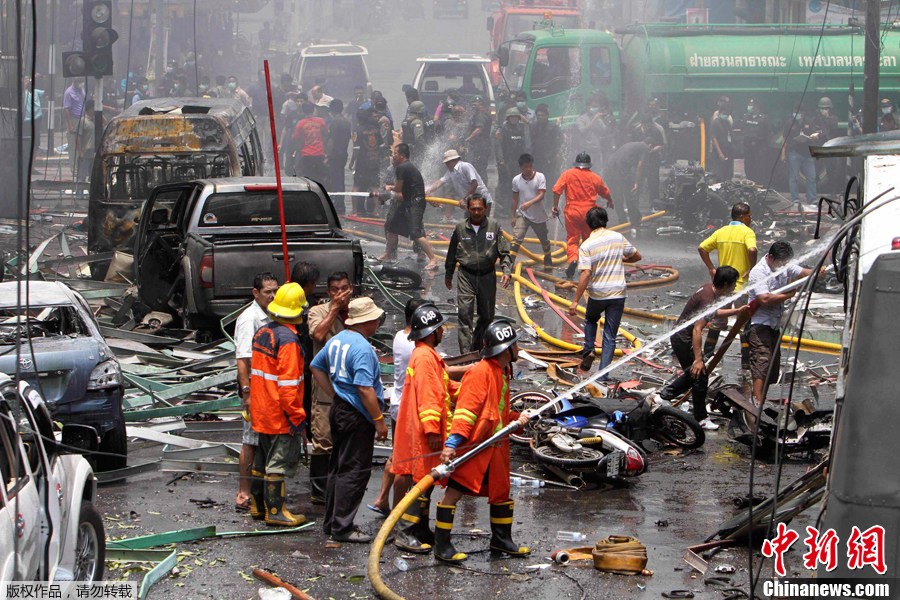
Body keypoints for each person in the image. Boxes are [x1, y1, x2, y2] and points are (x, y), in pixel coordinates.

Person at [436, 320, 531, 564]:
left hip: (495, 447)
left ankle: (501, 540)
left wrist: (517, 419)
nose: (518, 348)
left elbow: (498, 411)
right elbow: (466, 412)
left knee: (501, 493)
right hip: (476, 447)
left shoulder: (501, 371)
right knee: (455, 492)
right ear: (506, 349)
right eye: (515, 344)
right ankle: (442, 545)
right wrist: (452, 444)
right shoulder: (480, 372)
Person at [310, 297, 389, 543]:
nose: (377, 323)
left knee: (338, 466)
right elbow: (364, 388)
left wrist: (335, 394)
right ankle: (343, 527)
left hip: (339, 410)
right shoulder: (362, 348)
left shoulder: (336, 340)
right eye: (375, 319)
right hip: (357, 414)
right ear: (366, 321)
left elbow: (315, 366)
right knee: (354, 471)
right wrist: (379, 420)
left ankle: (332, 522)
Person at [391, 303, 461, 553]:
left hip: (423, 430)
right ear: (432, 333)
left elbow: (444, 387)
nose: (443, 332)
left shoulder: (427, 355)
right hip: (424, 433)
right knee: (421, 482)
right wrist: (432, 431)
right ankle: (405, 532)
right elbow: (429, 397)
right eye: (440, 329)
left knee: (427, 481)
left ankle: (419, 528)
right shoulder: (424, 358)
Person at [655, 267, 747, 430]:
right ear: (726, 283)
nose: (734, 287)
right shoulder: (707, 299)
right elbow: (697, 329)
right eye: (733, 284)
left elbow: (713, 313)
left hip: (681, 337)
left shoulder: (709, 290)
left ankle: (664, 396)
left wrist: (736, 311)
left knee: (694, 375)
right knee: (699, 377)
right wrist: (698, 359)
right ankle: (700, 418)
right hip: (684, 339)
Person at [248, 282, 308, 527]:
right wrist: (297, 416)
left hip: (262, 410)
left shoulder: (263, 332)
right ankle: (275, 512)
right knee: (277, 463)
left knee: (261, 459)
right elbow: (288, 384)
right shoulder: (288, 341)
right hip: (280, 413)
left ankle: (257, 506)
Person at [368, 297, 430, 517]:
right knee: (405, 462)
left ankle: (382, 499)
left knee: (397, 455)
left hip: (398, 401)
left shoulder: (399, 336)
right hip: (408, 407)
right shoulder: (413, 344)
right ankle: (397, 510)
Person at [568, 207, 641, 377]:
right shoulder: (618, 237)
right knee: (610, 336)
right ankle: (603, 376)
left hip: (598, 293)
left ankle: (589, 350)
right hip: (618, 293)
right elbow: (637, 256)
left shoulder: (586, 245)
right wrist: (623, 258)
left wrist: (575, 301)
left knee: (591, 319)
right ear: (606, 220)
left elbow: (586, 273)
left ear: (588, 224)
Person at [746, 242, 821, 405]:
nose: (784, 265)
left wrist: (818, 271)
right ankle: (756, 404)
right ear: (771, 258)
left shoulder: (783, 265)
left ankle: (761, 399)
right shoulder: (759, 272)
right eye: (781, 262)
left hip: (774, 324)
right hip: (760, 324)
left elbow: (802, 272)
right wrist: (789, 295)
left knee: (771, 368)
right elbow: (765, 299)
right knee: (762, 362)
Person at [233, 272, 279, 512]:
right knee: (250, 440)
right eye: (267, 292)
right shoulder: (248, 319)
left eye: (275, 291)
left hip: (268, 388)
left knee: (265, 439)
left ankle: (261, 491)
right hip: (254, 388)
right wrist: (247, 393)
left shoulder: (272, 314)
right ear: (255, 293)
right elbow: (242, 360)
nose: (272, 296)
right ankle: (244, 493)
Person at [444, 194, 513, 354]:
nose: (476, 212)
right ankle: (466, 355)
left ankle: (477, 347)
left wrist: (507, 271)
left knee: (487, 316)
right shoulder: (460, 228)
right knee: (464, 315)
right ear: (468, 209)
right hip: (466, 276)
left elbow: (504, 252)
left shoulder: (494, 227)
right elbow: (452, 252)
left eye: (479, 209)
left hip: (487, 276)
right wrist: (449, 273)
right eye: (473, 209)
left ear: (485, 209)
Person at [306, 271, 352, 505]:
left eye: (344, 288)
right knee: (323, 438)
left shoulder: (358, 311)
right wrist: (334, 309)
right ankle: (319, 490)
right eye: (335, 289)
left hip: (351, 386)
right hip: (326, 385)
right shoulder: (318, 312)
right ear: (328, 292)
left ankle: (340, 486)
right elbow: (318, 334)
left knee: (347, 438)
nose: (340, 293)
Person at [698, 201, 758, 363]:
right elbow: (752, 249)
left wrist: (711, 268)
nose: (750, 219)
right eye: (749, 216)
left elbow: (702, 248)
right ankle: (746, 361)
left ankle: (707, 355)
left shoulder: (721, 231)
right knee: (743, 323)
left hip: (722, 286)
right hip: (741, 286)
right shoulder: (747, 232)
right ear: (742, 216)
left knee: (717, 322)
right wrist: (752, 268)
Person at [551, 152, 614, 279]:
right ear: (589, 165)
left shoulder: (567, 174)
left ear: (576, 163)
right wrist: (610, 201)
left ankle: (573, 260)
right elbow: (605, 191)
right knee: (588, 240)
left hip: (572, 211)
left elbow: (557, 190)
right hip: (590, 213)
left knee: (572, 239)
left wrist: (555, 206)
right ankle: (586, 266)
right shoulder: (595, 177)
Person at [381, 143, 441, 270]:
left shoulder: (402, 167)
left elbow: (398, 189)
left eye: (395, 153)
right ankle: (388, 254)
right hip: (407, 201)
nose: (393, 156)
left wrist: (388, 188)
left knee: (415, 232)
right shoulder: (404, 167)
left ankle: (433, 259)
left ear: (402, 155)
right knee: (392, 227)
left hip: (415, 203)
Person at [509, 153, 552, 268]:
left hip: (538, 215)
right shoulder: (516, 180)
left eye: (530, 166)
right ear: (520, 167)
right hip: (523, 215)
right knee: (516, 238)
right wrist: (512, 216)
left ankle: (548, 259)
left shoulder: (540, 177)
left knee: (544, 239)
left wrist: (529, 203)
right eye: (525, 167)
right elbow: (514, 198)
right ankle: (509, 264)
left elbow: (541, 195)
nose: (528, 169)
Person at [781, 105, 825, 208]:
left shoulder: (809, 122)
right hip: (794, 153)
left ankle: (812, 199)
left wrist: (816, 136)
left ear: (803, 113)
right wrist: (783, 154)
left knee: (811, 177)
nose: (797, 114)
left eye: (799, 112)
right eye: (795, 111)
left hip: (807, 154)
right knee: (794, 178)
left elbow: (819, 132)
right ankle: (795, 199)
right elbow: (784, 138)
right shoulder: (789, 123)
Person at [425, 149, 494, 216]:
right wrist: (428, 190)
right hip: (470, 202)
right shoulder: (451, 172)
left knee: (480, 222)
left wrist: (465, 199)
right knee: (472, 222)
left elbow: (474, 184)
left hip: (481, 200)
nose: (446, 164)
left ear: (454, 160)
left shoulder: (465, 166)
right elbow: (439, 182)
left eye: (447, 162)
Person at [603, 141, 649, 229]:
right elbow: (640, 166)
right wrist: (636, 182)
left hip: (609, 171)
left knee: (618, 198)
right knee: (629, 195)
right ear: (650, 145)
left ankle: (623, 221)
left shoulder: (630, 146)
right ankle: (635, 221)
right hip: (619, 171)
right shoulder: (645, 147)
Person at [350, 108, 386, 215]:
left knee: (356, 186)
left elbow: (356, 149)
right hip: (374, 162)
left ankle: (354, 211)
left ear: (358, 118)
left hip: (362, 164)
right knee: (375, 187)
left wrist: (351, 162)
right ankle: (376, 211)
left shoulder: (357, 130)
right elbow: (382, 146)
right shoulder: (376, 129)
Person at [494, 107, 531, 207]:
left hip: (518, 161)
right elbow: (498, 146)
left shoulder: (522, 128)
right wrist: (501, 160)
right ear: (508, 118)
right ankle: (504, 206)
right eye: (511, 117)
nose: (514, 119)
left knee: (520, 183)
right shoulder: (502, 129)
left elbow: (526, 143)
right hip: (506, 161)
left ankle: (518, 205)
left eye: (516, 117)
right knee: (505, 184)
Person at [292, 101, 329, 182]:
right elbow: (327, 133)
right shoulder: (321, 121)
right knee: (320, 178)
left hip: (306, 154)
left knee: (308, 178)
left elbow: (295, 138)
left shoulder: (300, 123)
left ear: (303, 111)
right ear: (313, 109)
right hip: (320, 153)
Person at [529, 103, 563, 191]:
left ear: (547, 116)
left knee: (550, 184)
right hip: (537, 160)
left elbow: (560, 141)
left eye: (542, 115)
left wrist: (555, 156)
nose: (540, 117)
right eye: (538, 115)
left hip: (549, 161)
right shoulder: (533, 127)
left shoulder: (553, 128)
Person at [327, 99, 351, 212]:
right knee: (340, 179)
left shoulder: (335, 121)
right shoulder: (347, 121)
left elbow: (331, 140)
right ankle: (341, 203)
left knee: (335, 179)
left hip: (335, 154)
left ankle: (338, 204)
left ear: (332, 109)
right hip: (343, 153)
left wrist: (327, 155)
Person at [464, 95, 493, 184]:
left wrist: (468, 139)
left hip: (481, 146)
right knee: (478, 168)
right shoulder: (478, 115)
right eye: (472, 104)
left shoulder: (480, 115)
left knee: (479, 169)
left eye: (475, 104)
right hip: (481, 145)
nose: (473, 106)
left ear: (481, 104)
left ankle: (482, 188)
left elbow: (478, 130)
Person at [741, 98, 770, 184]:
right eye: (749, 105)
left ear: (757, 107)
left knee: (759, 167)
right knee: (748, 167)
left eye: (751, 105)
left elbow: (766, 133)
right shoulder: (745, 117)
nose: (749, 107)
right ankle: (749, 184)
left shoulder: (763, 118)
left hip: (758, 147)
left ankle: (759, 185)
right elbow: (743, 130)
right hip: (748, 147)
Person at [63, 79, 86, 179]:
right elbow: (66, 109)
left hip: (83, 118)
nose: (81, 82)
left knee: (82, 145)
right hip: (74, 119)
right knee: (73, 146)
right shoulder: (68, 92)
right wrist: (70, 125)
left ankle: (82, 169)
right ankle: (74, 170)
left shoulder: (82, 90)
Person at [401, 100, 436, 164]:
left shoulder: (405, 121)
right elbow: (419, 138)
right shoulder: (417, 122)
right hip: (416, 151)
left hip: (407, 150)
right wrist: (426, 151)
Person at [710, 103, 734, 182]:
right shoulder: (715, 123)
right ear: (720, 113)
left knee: (727, 174)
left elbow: (729, 136)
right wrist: (720, 153)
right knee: (718, 174)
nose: (726, 115)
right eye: (724, 113)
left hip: (727, 151)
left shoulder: (727, 123)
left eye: (727, 114)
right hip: (718, 152)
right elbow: (714, 138)